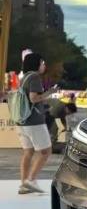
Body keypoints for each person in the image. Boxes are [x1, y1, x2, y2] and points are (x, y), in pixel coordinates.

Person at [16, 53, 57, 194]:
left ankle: (24, 183)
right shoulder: (34, 77)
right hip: (34, 121)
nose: (44, 65)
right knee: (46, 151)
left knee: (28, 152)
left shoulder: (24, 78)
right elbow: (33, 98)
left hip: (22, 121)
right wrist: (50, 92)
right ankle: (31, 180)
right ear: (36, 64)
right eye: (42, 62)